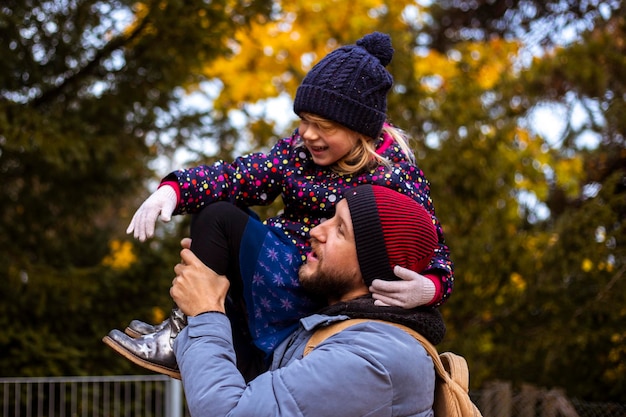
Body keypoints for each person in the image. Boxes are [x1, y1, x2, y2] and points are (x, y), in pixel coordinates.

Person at [103, 32, 453, 379]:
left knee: (221, 220)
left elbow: (431, 244)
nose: (308, 134)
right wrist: (175, 189)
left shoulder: (394, 177)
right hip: (281, 267)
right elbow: (240, 176)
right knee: (225, 212)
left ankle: (188, 339)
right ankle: (193, 332)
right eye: (304, 120)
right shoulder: (298, 153)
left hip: (322, 284)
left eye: (323, 126)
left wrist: (430, 287)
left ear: (360, 130)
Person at [171, 184, 445, 417]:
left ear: (372, 267)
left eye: (340, 230)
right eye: (330, 217)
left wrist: (206, 312)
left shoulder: (375, 358)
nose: (316, 231)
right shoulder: (339, 331)